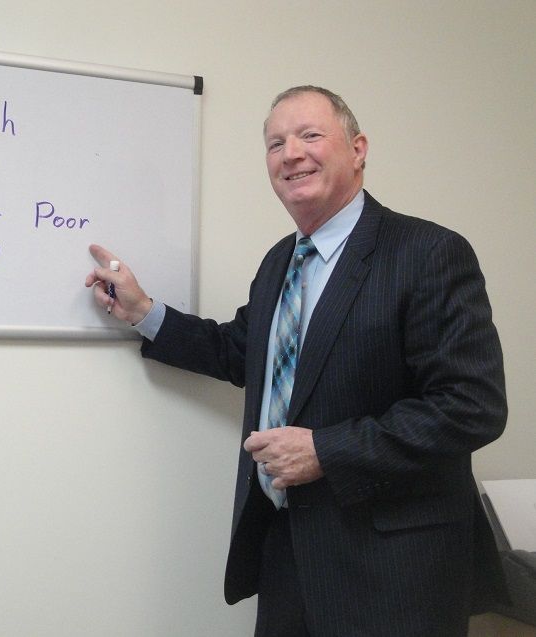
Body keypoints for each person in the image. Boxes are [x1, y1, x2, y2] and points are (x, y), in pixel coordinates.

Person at [85, 86, 508, 637]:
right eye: (275, 143)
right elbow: (242, 350)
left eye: (310, 135)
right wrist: (143, 311)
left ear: (358, 149)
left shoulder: (428, 253)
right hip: (288, 554)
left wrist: (325, 451)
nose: (290, 154)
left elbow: (471, 406)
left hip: (396, 572)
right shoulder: (281, 260)